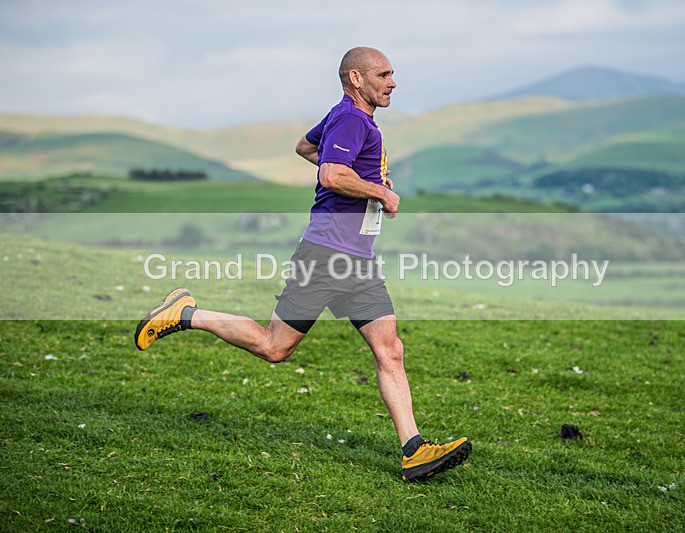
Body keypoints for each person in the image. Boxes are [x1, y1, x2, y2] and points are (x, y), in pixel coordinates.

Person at [134, 47, 471, 481]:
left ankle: (414, 451)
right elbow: (330, 174)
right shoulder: (350, 118)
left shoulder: (348, 118)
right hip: (327, 255)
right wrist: (380, 192)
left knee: (391, 350)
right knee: (274, 347)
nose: (392, 82)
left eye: (392, 74)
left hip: (357, 261)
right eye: (384, 75)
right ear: (356, 78)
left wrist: (363, 182)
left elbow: (304, 147)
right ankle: (185, 314)